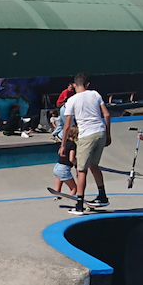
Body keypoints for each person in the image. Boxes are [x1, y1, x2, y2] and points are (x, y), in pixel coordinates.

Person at [61, 73, 111, 214]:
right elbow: (106, 115)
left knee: (81, 170)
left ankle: (79, 205)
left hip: (86, 135)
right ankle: (102, 196)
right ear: (87, 84)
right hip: (100, 132)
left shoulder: (72, 100)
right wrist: (108, 134)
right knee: (93, 165)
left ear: (74, 85)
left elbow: (67, 126)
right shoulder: (95, 94)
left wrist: (63, 145)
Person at [51, 119, 79, 200]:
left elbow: (59, 152)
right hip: (64, 168)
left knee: (56, 190)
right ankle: (69, 202)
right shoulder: (72, 145)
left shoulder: (64, 142)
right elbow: (71, 158)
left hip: (57, 167)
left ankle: (54, 202)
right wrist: (77, 163)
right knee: (74, 188)